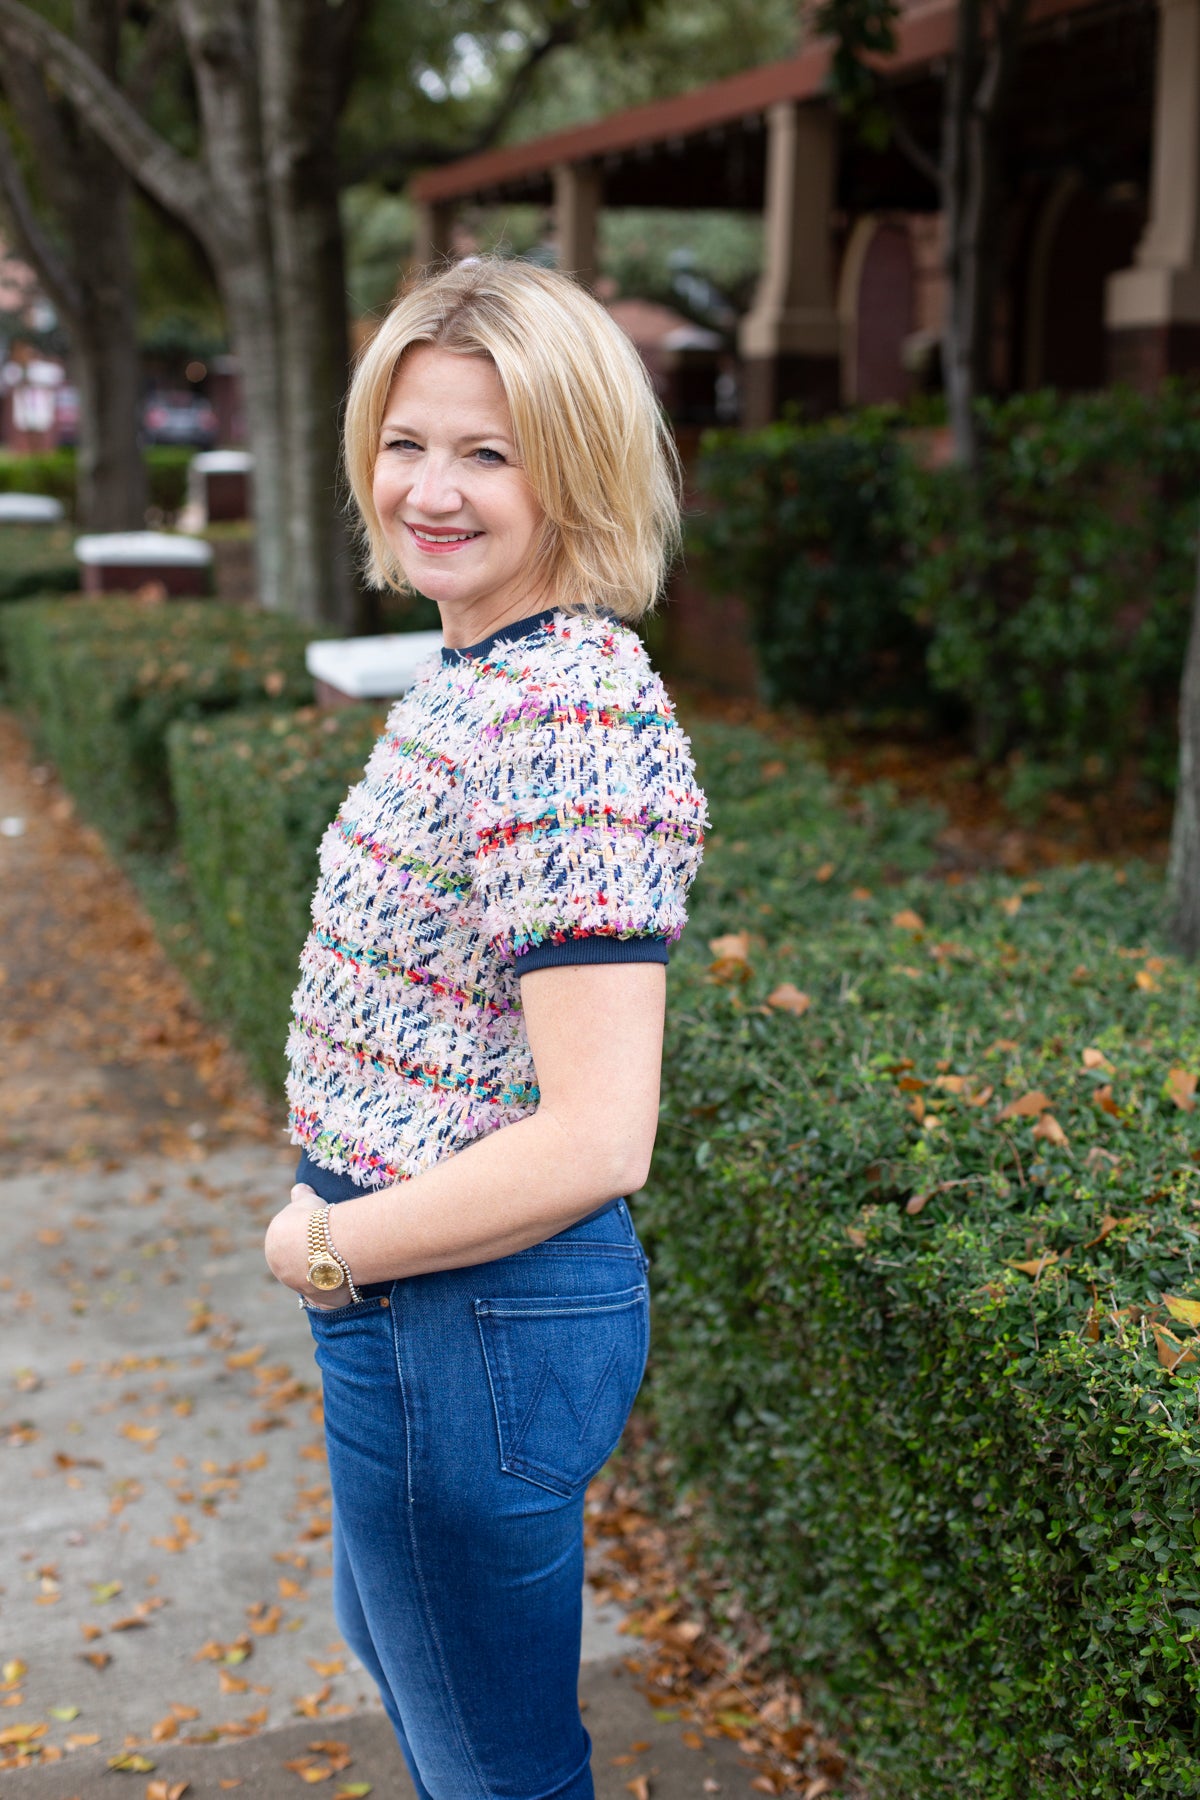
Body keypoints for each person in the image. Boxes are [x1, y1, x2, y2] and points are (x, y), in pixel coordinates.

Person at [263, 256, 707, 1800]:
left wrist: (323, 1250)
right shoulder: (485, 675)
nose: (431, 489)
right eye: (407, 442)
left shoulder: (564, 709)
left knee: (495, 1768)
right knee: (431, 1697)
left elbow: (601, 1132)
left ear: (572, 467)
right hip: (427, 1309)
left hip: (466, 1314)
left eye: (487, 452)